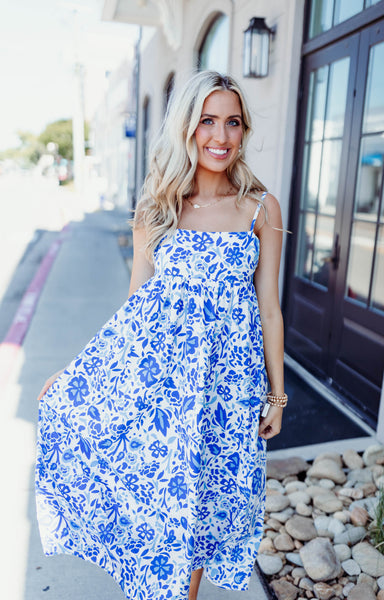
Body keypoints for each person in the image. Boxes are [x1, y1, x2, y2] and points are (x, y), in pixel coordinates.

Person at [36, 70, 287, 600]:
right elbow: (135, 308)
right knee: (165, 510)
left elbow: (269, 309)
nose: (220, 136)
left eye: (233, 123)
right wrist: (80, 372)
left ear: (243, 132)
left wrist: (277, 394)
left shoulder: (261, 208)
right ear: (188, 128)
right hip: (164, 385)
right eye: (207, 121)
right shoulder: (158, 207)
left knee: (204, 514)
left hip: (229, 389)